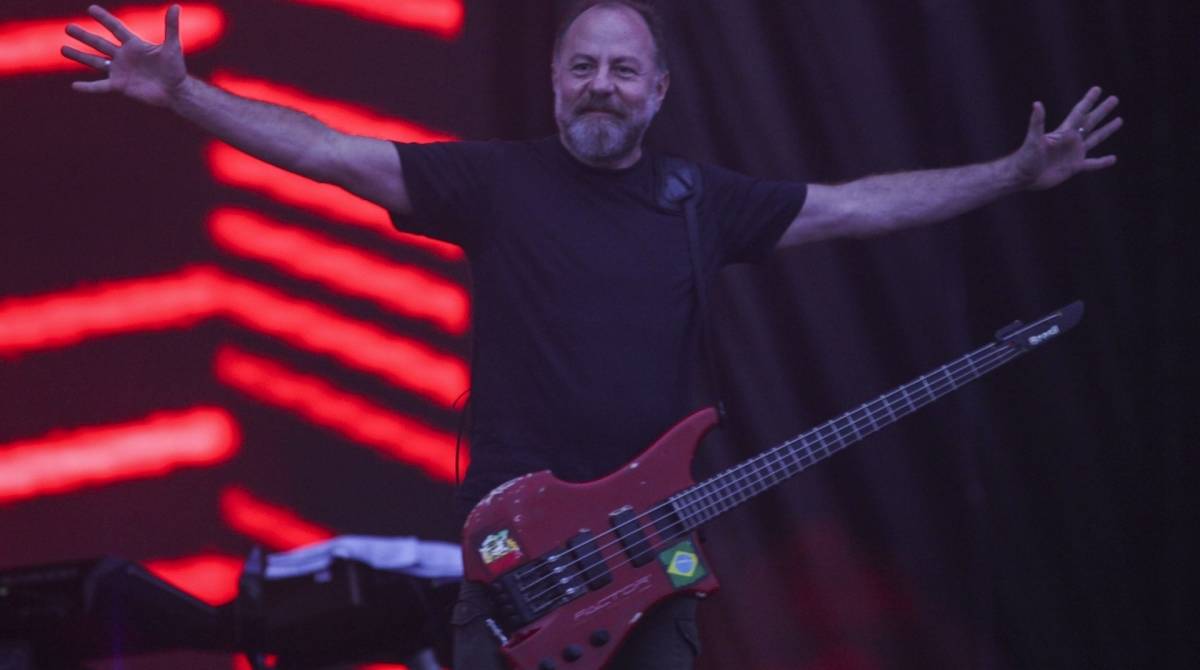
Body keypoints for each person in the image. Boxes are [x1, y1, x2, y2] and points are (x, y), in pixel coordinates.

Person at [62, 2, 1121, 668]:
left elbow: (855, 207)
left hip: (653, 556)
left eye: (622, 69)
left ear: (657, 92)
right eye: (582, 67)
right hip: (519, 558)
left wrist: (1013, 174)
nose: (600, 85)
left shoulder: (701, 199)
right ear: (556, 82)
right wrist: (186, 94)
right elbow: (334, 152)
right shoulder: (496, 183)